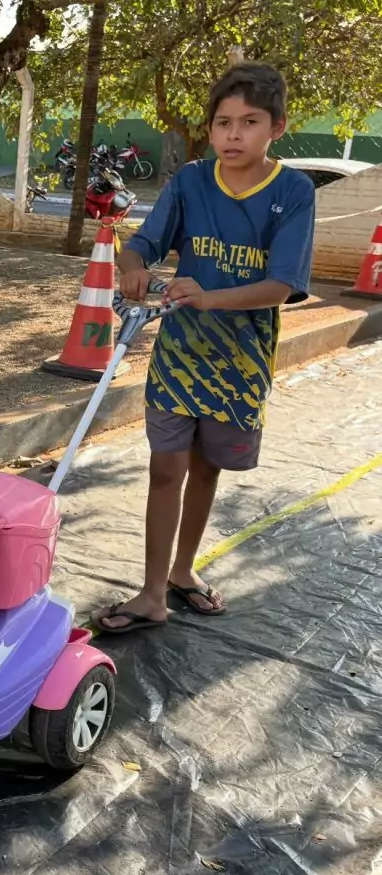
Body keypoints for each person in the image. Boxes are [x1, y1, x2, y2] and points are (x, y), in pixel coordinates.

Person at [92, 63, 315, 635]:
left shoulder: (293, 192)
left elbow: (282, 285)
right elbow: (142, 242)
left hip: (241, 360)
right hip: (179, 354)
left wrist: (208, 296)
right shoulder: (190, 181)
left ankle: (183, 572)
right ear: (210, 129)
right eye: (223, 122)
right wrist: (133, 266)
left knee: (207, 468)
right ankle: (150, 594)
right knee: (165, 469)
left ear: (277, 128)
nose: (233, 135)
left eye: (249, 122)